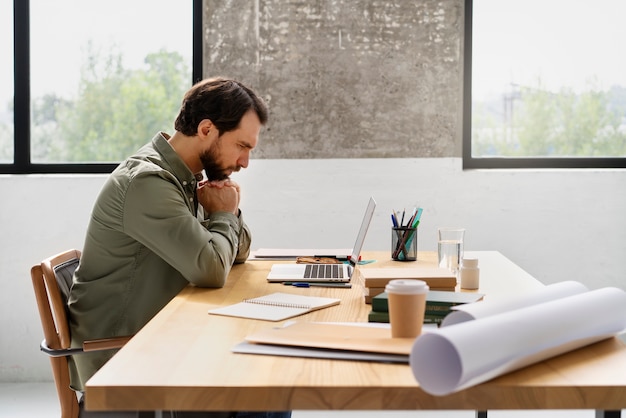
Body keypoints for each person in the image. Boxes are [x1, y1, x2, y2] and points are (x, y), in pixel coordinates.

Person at [67, 77, 290, 418]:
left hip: (162, 341)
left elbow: (237, 252)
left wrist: (224, 210)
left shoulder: (184, 179)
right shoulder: (147, 183)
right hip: (125, 359)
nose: (245, 162)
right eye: (242, 146)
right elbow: (213, 269)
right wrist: (223, 213)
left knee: (270, 380)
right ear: (206, 129)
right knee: (264, 390)